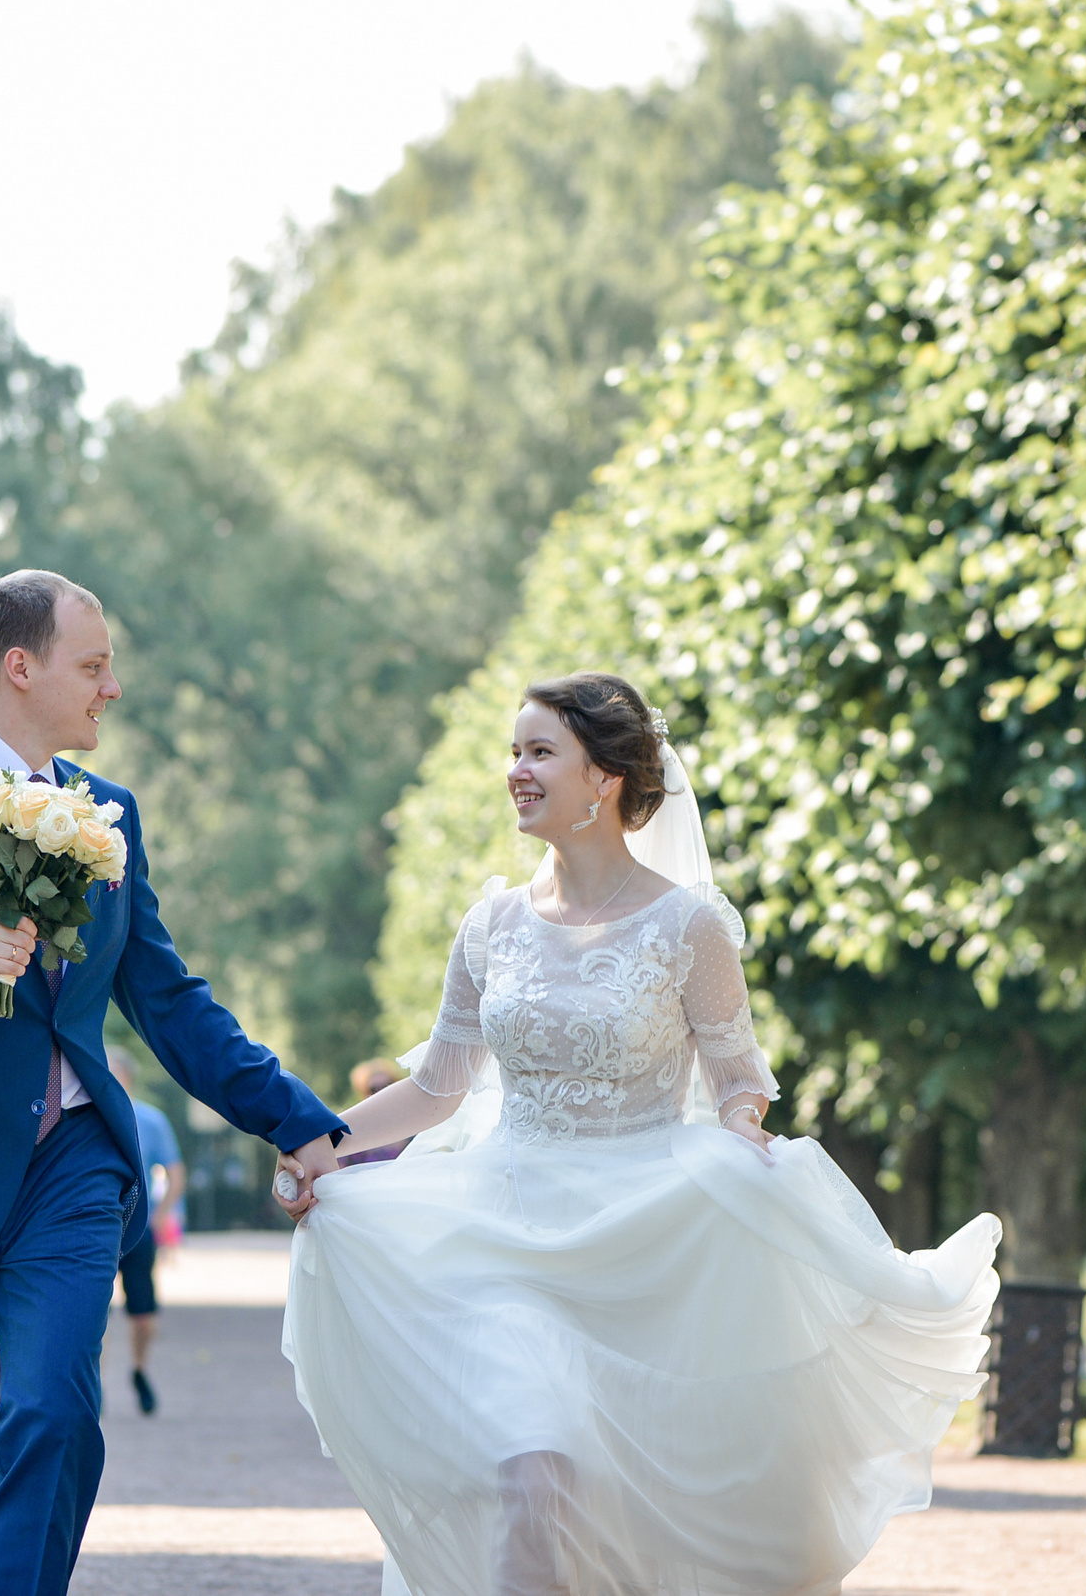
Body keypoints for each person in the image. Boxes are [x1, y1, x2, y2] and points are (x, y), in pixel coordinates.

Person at [274, 672, 1001, 1596]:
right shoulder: (491, 923)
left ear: (605, 777)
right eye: (515, 750)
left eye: (540, 751)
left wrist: (740, 1136)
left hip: (645, 1245)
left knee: (629, 1502)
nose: (517, 771)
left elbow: (739, 1081)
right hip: (505, 1236)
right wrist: (315, 1146)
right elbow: (437, 1085)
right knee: (529, 1470)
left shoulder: (689, 926)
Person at [0, 569, 345, 1596]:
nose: (112, 687)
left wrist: (300, 1122)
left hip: (72, 1163)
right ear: (19, 666)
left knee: (50, 1412)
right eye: (94, 664)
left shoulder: (111, 813)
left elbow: (169, 1001)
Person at [104, 1046, 183, 1415]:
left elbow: (175, 1172)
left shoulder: (150, 1120)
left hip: (137, 1230)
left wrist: (161, 1215)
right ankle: (92, 1385)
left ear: (128, 1078)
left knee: (144, 1316)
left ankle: (139, 1370)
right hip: (95, 1230)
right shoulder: (86, 1115)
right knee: (89, 1313)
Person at [337, 1058, 410, 1166]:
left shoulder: (417, 1124)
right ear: (364, 1094)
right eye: (374, 1089)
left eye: (387, 1086)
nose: (381, 1093)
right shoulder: (353, 1132)